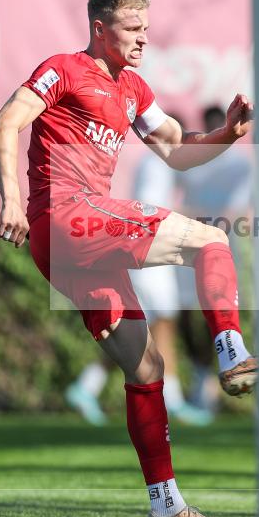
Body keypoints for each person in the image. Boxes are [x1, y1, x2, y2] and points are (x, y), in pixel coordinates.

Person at [0, 0, 257, 517]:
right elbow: (6, 122)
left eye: (146, 30)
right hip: (68, 215)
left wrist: (228, 133)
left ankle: (168, 510)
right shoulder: (63, 68)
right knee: (212, 241)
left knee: (146, 368)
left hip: (72, 246)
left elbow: (177, 151)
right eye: (132, 30)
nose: (142, 40)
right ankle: (231, 350)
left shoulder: (133, 87)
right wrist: (11, 200)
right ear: (99, 29)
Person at [66, 147, 214, 427]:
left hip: (144, 251)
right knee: (166, 322)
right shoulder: (159, 163)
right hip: (149, 252)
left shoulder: (156, 163)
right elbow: (153, 207)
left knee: (135, 335)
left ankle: (86, 386)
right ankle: (174, 402)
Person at [174, 104, 252, 414]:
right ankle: (202, 378)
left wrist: (183, 216)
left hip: (220, 253)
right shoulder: (197, 159)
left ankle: (220, 377)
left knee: (217, 317)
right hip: (184, 248)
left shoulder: (240, 167)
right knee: (180, 315)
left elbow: (228, 216)